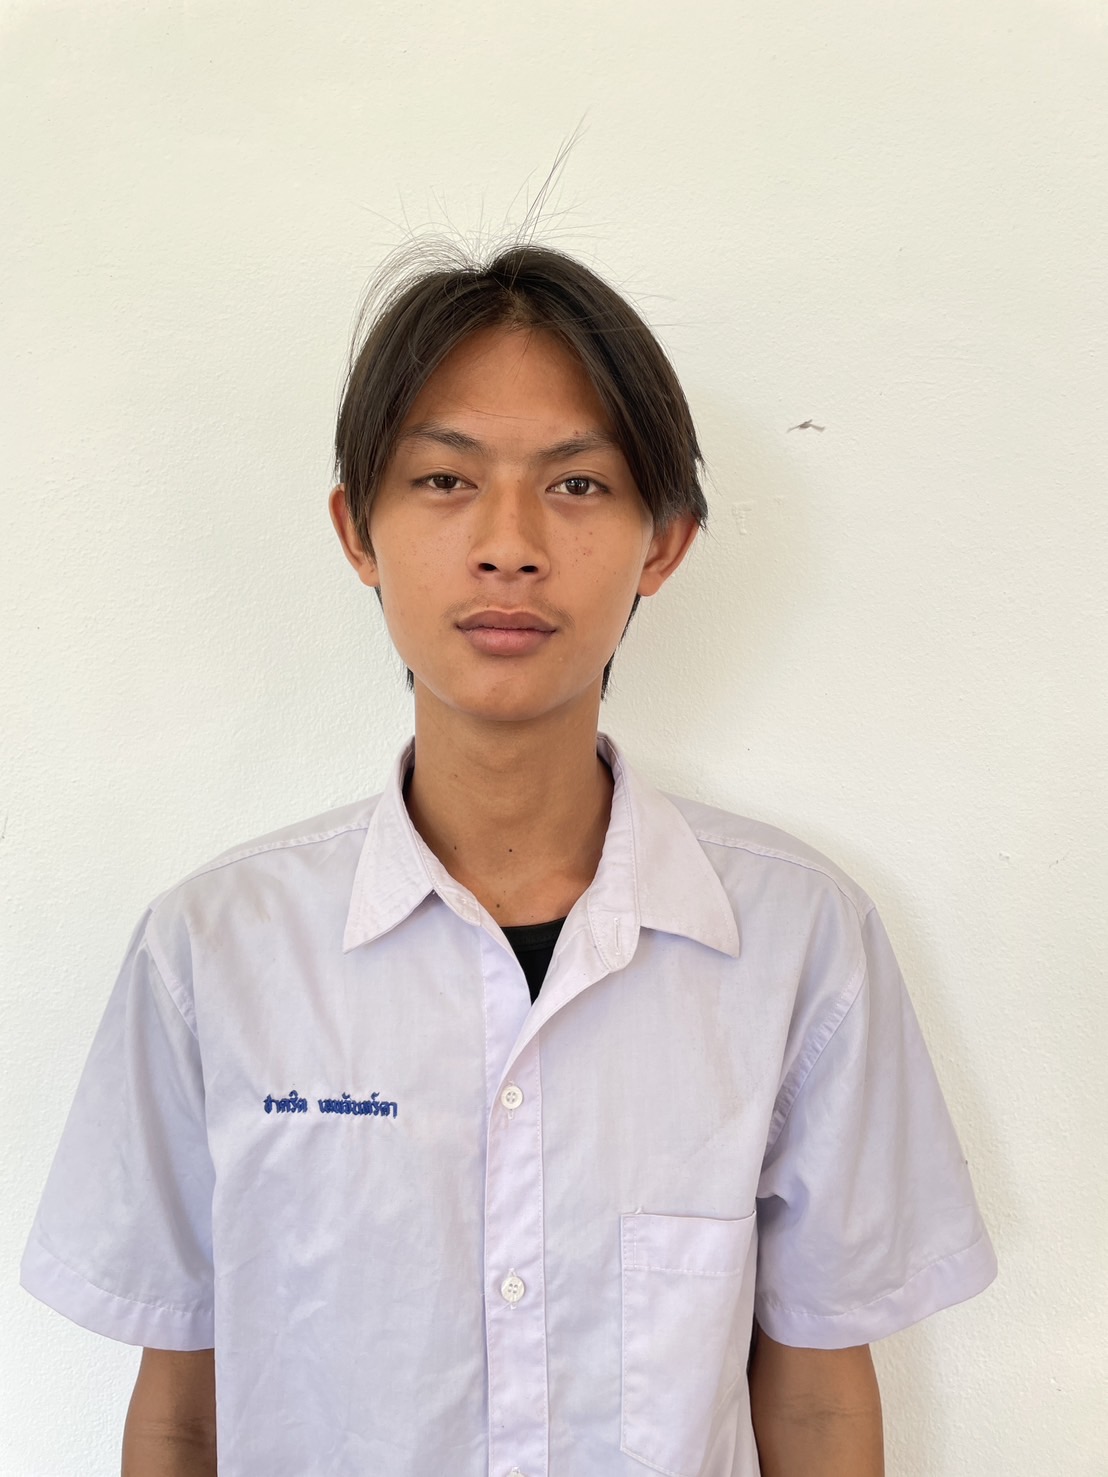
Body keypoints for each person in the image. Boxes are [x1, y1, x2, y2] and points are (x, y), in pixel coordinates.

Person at [22, 243, 997, 1477]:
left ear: (663, 543)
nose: (508, 544)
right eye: (444, 479)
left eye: (577, 484)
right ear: (358, 531)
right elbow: (180, 1411)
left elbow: (813, 1401)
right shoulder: (214, 953)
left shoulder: (798, 942)